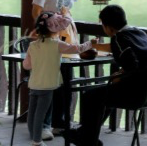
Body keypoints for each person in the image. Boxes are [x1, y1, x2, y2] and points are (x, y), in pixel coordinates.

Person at [70, 5, 147, 146]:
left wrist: (119, 77)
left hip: (136, 95)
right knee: (104, 95)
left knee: (90, 96)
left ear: (109, 28)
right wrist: (122, 71)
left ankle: (87, 139)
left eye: (103, 25)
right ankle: (86, 135)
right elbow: (135, 59)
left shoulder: (118, 38)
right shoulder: (138, 32)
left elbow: (132, 64)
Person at [32, 0, 82, 138]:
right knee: (49, 80)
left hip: (66, 32)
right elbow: (36, 10)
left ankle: (59, 122)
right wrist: (43, 30)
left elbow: (68, 8)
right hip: (49, 33)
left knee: (66, 79)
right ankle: (44, 125)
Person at [23, 12, 96, 146]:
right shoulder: (57, 44)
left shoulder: (32, 45)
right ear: (55, 29)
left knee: (32, 113)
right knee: (40, 114)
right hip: (48, 85)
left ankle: (34, 137)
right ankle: (37, 141)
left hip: (34, 84)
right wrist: (90, 43)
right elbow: (77, 49)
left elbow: (26, 65)